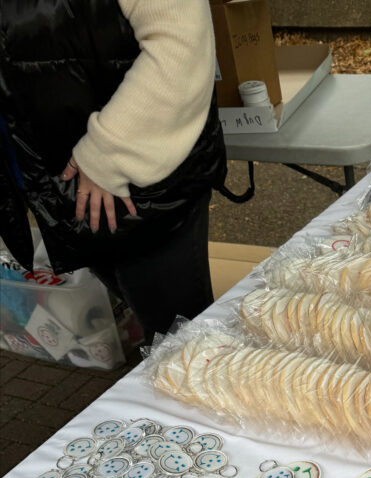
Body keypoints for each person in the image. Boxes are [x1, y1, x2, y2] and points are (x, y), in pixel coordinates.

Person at [0, 0, 231, 340]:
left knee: (184, 340)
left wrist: (110, 152)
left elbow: (180, 45)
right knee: (156, 322)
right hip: (58, 181)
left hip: (132, 179)